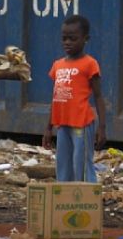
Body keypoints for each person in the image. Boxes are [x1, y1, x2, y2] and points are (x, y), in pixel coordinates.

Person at [42, 15, 106, 182]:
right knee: (63, 166)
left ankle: (87, 201)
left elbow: (98, 96)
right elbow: (55, 98)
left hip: (82, 124)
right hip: (63, 124)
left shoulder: (90, 64)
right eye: (64, 38)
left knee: (82, 166)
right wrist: (48, 128)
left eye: (73, 38)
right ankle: (64, 200)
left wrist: (102, 127)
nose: (67, 42)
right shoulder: (58, 65)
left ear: (86, 39)